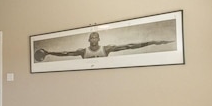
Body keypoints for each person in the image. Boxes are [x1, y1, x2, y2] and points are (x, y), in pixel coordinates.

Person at [35, 32, 172, 61]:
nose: (94, 38)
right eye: (91, 37)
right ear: (89, 39)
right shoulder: (83, 51)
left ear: (99, 39)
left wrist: (152, 41)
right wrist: (48, 52)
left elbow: (129, 46)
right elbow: (66, 53)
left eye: (96, 36)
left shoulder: (106, 49)